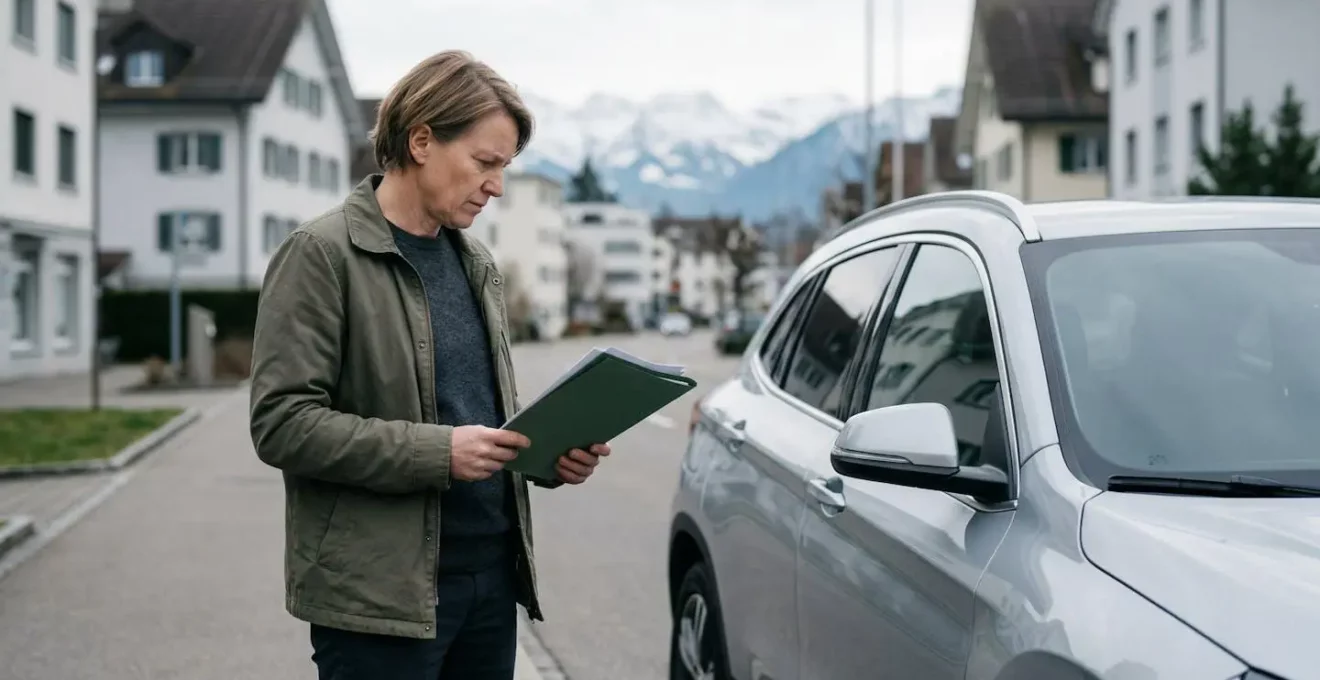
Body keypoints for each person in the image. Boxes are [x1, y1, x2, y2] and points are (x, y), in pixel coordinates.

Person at [248, 50, 611, 680]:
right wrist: (438, 453)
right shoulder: (321, 255)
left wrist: (548, 457)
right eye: (485, 162)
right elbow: (281, 423)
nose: (496, 185)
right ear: (421, 141)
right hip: (378, 602)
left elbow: (481, 418)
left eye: (503, 168)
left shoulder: (477, 265)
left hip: (491, 584)